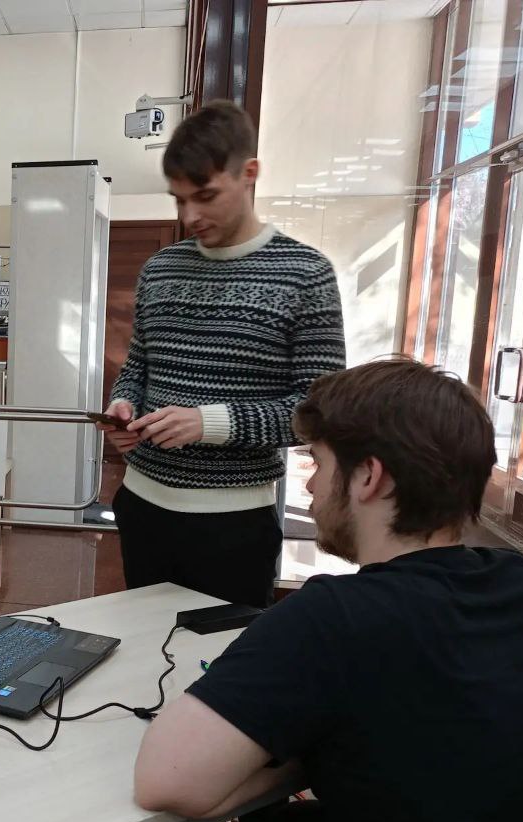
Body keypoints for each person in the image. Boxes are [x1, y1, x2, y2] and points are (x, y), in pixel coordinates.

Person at [116, 359, 523, 822]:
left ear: (369, 477)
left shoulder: (333, 614)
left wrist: (294, 744)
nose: (309, 487)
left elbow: (166, 783)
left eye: (319, 465)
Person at [100, 100, 346, 609]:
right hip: (142, 504)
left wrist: (209, 423)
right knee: (142, 645)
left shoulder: (305, 275)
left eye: (206, 196)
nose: (189, 216)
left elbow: (320, 413)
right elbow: (139, 365)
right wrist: (124, 406)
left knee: (226, 653)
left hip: (233, 523)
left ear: (249, 173)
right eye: (179, 200)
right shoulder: (160, 269)